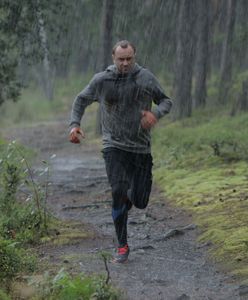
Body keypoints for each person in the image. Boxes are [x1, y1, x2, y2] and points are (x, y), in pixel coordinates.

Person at [69, 40, 172, 263]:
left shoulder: (145, 77)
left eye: (129, 59)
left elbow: (165, 101)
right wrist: (74, 125)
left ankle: (126, 200)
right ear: (113, 58)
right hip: (113, 145)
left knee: (141, 200)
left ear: (135, 57)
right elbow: (80, 100)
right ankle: (122, 245)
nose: (125, 63)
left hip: (140, 148)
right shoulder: (102, 80)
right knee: (118, 189)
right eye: (121, 59)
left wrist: (156, 114)